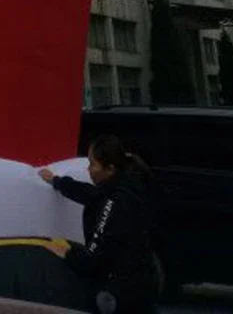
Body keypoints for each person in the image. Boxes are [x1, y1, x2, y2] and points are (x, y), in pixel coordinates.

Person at [39, 135, 158, 314]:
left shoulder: (115, 203)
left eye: (93, 164)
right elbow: (91, 194)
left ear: (110, 169)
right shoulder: (128, 187)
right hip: (142, 285)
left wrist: (67, 252)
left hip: (122, 294)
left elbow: (93, 257)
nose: (88, 170)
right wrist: (57, 181)